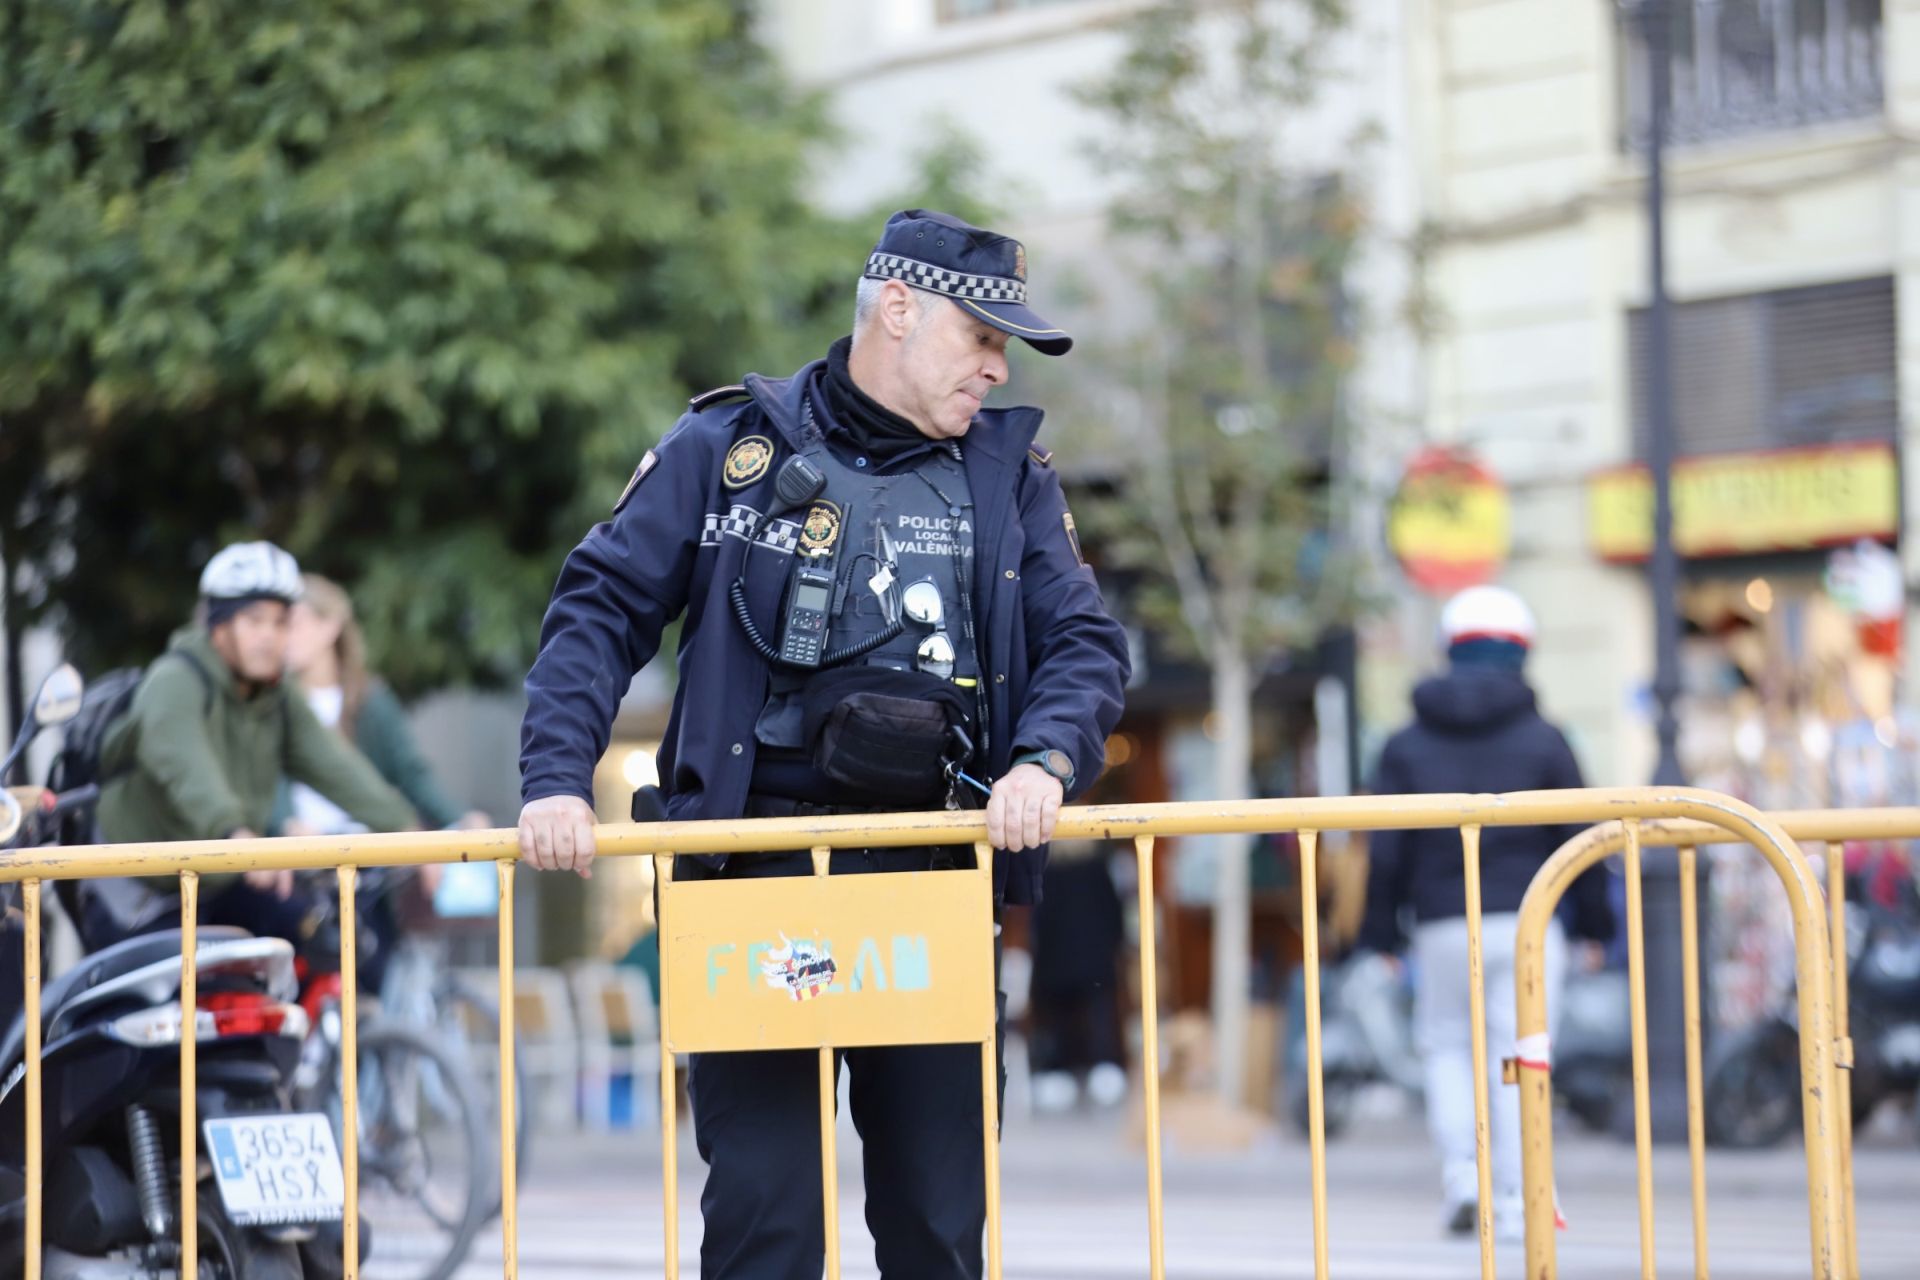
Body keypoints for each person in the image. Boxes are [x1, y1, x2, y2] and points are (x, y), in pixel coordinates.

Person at [517, 209, 1130, 1278]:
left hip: (930, 884)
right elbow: (599, 607)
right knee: (766, 1223)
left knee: (940, 1223)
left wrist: (1046, 758)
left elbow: (1085, 639)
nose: (996, 367)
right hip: (751, 882)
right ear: (897, 308)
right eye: (981, 337)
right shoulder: (727, 450)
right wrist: (556, 778)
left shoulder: (1009, 475)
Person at [1358, 584, 1614, 1241]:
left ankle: (1464, 1179)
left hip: (1444, 921)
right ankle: (1520, 1183)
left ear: (1449, 651)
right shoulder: (1547, 739)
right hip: (1533, 919)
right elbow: (1579, 834)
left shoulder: (1404, 742)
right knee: (1521, 1049)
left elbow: (1384, 850)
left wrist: (1379, 933)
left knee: (1446, 1046)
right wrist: (1594, 926)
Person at [88, 542, 415, 947]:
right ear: (219, 627)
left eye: (281, 623)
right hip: (139, 889)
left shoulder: (276, 697)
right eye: (254, 620)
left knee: (329, 943)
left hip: (218, 876)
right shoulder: (175, 680)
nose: (270, 637)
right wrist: (237, 835)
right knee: (183, 1001)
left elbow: (335, 767)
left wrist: (406, 828)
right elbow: (186, 770)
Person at [277, 573, 490, 836]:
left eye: (294, 623)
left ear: (330, 625)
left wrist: (457, 818)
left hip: (366, 843)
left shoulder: (368, 698)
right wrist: (284, 822)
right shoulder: (274, 701)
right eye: (279, 625)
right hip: (298, 850)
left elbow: (410, 771)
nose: (283, 636)